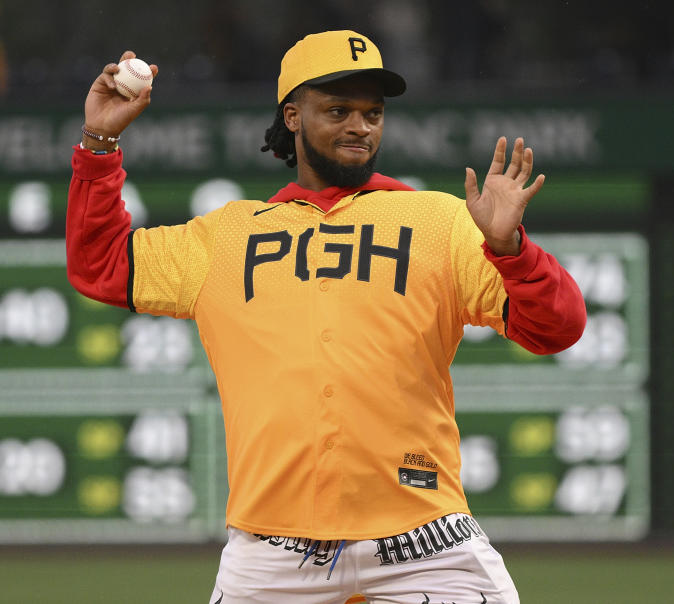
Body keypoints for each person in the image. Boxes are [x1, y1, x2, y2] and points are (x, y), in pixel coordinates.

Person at [67, 30, 586, 604]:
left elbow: (556, 329)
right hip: (272, 551)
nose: (360, 126)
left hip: (425, 543)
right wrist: (99, 143)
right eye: (338, 109)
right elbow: (101, 266)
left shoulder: (440, 223)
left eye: (373, 112)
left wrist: (512, 251)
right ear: (292, 115)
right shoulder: (227, 235)